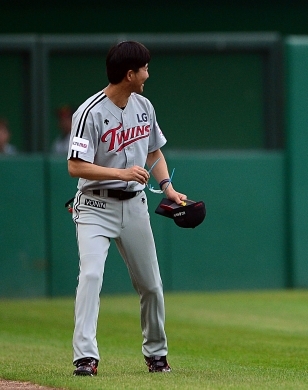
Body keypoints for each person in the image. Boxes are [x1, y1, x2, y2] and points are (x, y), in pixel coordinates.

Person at [67, 41, 187, 376]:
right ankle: (85, 358)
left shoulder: (144, 106)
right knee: (90, 275)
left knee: (150, 283)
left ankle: (156, 354)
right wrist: (121, 172)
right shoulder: (89, 112)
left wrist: (168, 188)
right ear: (129, 74)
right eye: (144, 68)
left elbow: (153, 154)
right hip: (94, 205)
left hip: (134, 206)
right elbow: (75, 166)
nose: (148, 73)